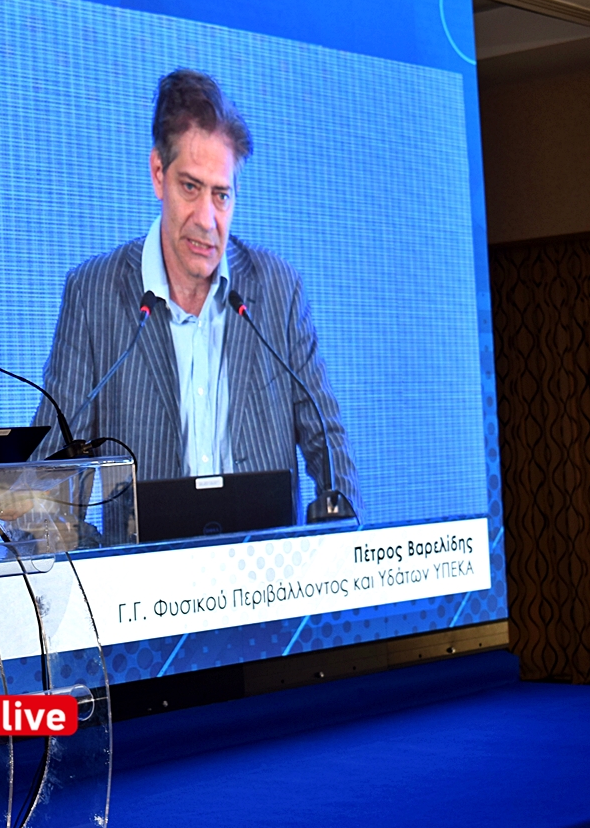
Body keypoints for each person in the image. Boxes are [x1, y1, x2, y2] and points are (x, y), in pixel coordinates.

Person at [33, 69, 362, 521]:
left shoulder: (277, 289)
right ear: (158, 174)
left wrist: (342, 531)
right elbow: (54, 468)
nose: (207, 219)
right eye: (190, 187)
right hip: (148, 564)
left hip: (265, 559)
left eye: (221, 195)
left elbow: (328, 441)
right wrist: (78, 551)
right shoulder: (94, 294)